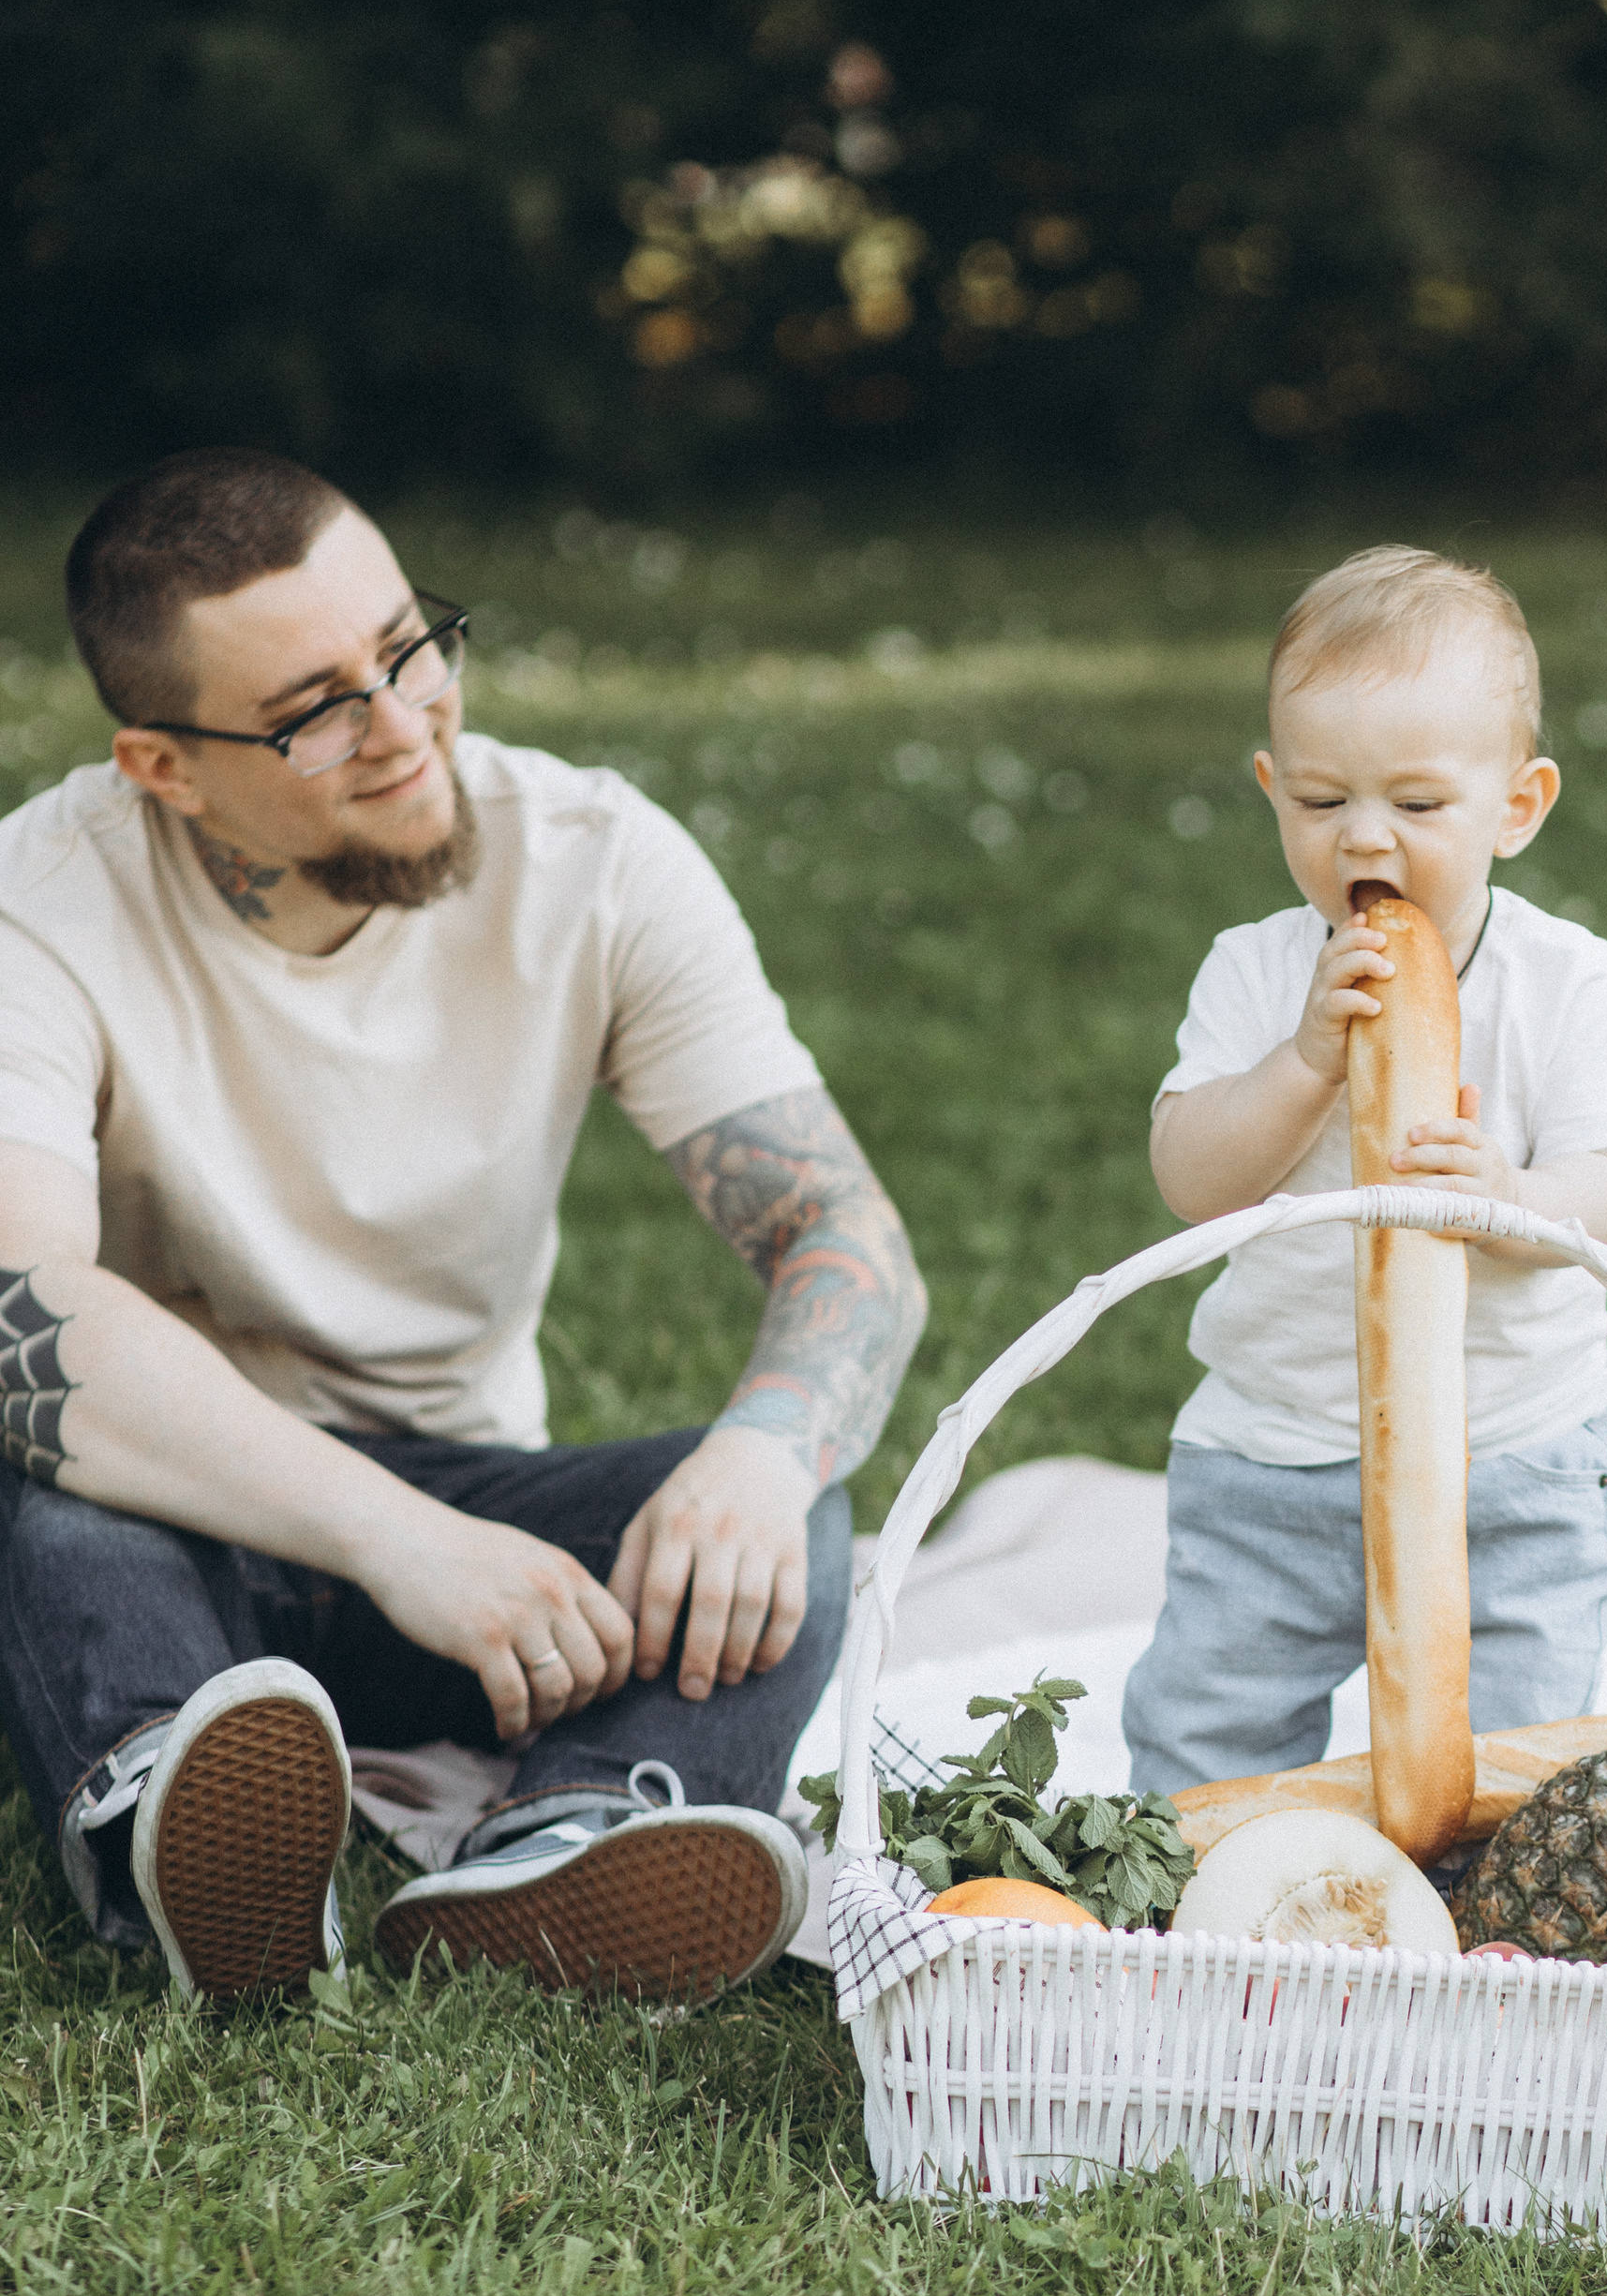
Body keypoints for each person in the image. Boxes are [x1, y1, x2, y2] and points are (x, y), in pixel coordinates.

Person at [0, 449, 927, 2006]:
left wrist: (761, 1454)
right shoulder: (39, 905)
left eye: (409, 646)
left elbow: (844, 1234)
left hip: (480, 1522)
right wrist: (396, 1543)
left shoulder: (597, 862)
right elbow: (23, 1310)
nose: (407, 724)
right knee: (45, 1483)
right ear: (164, 768)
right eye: (314, 710)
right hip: (189, 1509)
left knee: (792, 1522)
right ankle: (184, 1819)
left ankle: (568, 1845)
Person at [1121, 544, 1607, 1797]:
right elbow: (1193, 1179)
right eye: (1322, 803)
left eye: (1418, 806)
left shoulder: (1565, 976)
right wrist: (1303, 1060)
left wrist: (1516, 1203)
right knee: (1207, 1726)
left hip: (1514, 1457)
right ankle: (1210, 1909)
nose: (1365, 835)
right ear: (1273, 792)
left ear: (1517, 808)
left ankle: (1477, 1939)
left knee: (1510, 1753)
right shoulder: (1257, 972)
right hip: (1277, 1446)